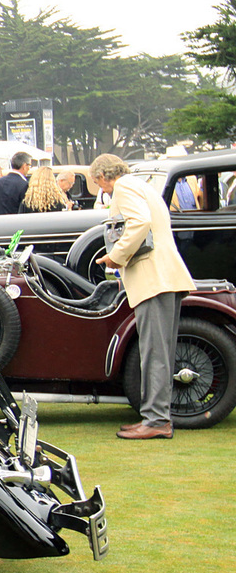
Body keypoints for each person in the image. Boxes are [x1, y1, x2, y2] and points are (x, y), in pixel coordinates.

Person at [91, 154, 196, 440]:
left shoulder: (124, 188)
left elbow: (139, 223)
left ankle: (156, 420)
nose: (102, 189)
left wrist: (115, 256)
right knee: (156, 351)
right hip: (162, 277)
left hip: (154, 279)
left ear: (102, 175)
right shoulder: (141, 185)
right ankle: (154, 417)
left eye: (98, 183)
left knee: (155, 352)